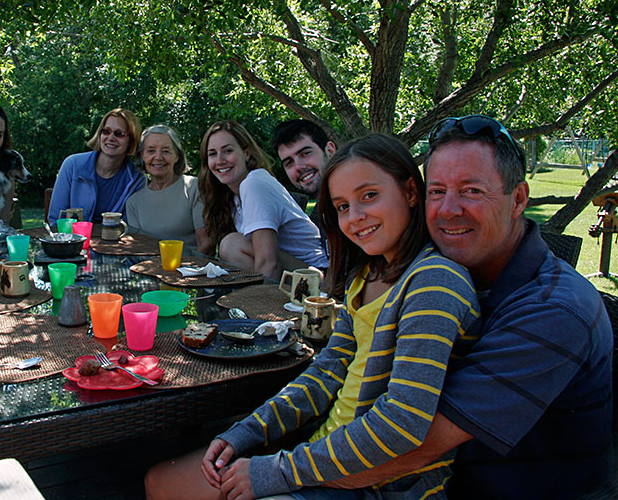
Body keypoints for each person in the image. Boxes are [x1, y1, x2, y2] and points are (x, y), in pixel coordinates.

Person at [146, 133, 481, 500]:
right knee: (160, 480)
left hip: (377, 484)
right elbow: (327, 371)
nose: (355, 217)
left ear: (410, 193)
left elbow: (401, 423)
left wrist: (276, 471)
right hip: (319, 451)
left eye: (369, 196)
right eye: (341, 206)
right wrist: (246, 432)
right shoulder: (365, 278)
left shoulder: (434, 283)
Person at [318, 115, 613, 500]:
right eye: (437, 192)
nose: (447, 211)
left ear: (519, 200)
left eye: (471, 191)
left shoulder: (553, 311)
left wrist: (266, 472)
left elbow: (405, 450)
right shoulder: (443, 276)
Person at [199, 120, 327, 279]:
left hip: (318, 276)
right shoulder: (233, 198)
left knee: (231, 245)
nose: (219, 160)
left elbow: (268, 262)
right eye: (212, 154)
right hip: (295, 272)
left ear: (246, 153)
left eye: (228, 151)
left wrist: (258, 302)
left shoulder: (254, 183)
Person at [47, 108, 145, 225]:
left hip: (115, 241)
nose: (111, 138)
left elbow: (131, 225)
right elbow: (56, 218)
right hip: (73, 240)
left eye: (119, 134)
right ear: (100, 134)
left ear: (131, 140)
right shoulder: (72, 165)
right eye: (106, 131)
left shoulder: (137, 179)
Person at [125, 124, 212, 254]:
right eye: (151, 151)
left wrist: (187, 269)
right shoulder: (134, 203)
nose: (158, 157)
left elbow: (206, 243)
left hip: (192, 268)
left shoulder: (193, 188)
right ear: (142, 155)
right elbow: (138, 249)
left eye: (165, 151)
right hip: (150, 269)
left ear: (177, 156)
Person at [271, 119, 336, 226]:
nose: (298, 167)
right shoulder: (321, 216)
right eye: (289, 162)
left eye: (306, 153)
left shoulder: (355, 206)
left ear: (329, 151)